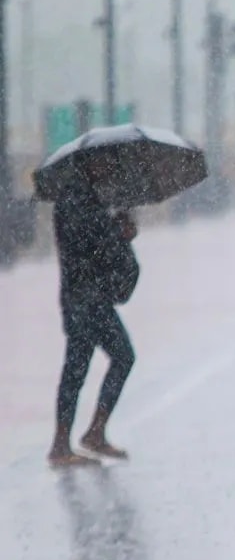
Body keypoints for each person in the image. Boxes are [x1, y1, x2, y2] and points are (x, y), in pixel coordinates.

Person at [48, 158, 141, 468]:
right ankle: (63, 444)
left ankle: (93, 432)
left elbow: (97, 243)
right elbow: (88, 245)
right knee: (80, 366)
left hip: (91, 298)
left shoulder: (88, 198)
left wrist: (117, 231)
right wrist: (119, 234)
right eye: (103, 164)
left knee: (116, 357)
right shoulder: (75, 199)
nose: (108, 169)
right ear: (87, 164)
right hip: (82, 298)